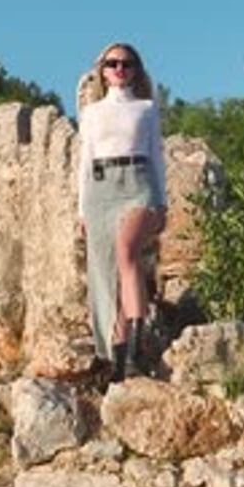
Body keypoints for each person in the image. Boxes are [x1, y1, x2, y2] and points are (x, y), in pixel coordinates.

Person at [77, 42, 167, 382]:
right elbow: (85, 163)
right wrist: (82, 212)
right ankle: (116, 361)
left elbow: (157, 157)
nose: (119, 69)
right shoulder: (91, 113)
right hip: (100, 188)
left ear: (136, 70)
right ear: (102, 70)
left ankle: (135, 350)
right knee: (104, 275)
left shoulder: (146, 109)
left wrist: (162, 202)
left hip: (137, 184)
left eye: (127, 64)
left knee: (126, 254)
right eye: (112, 63)